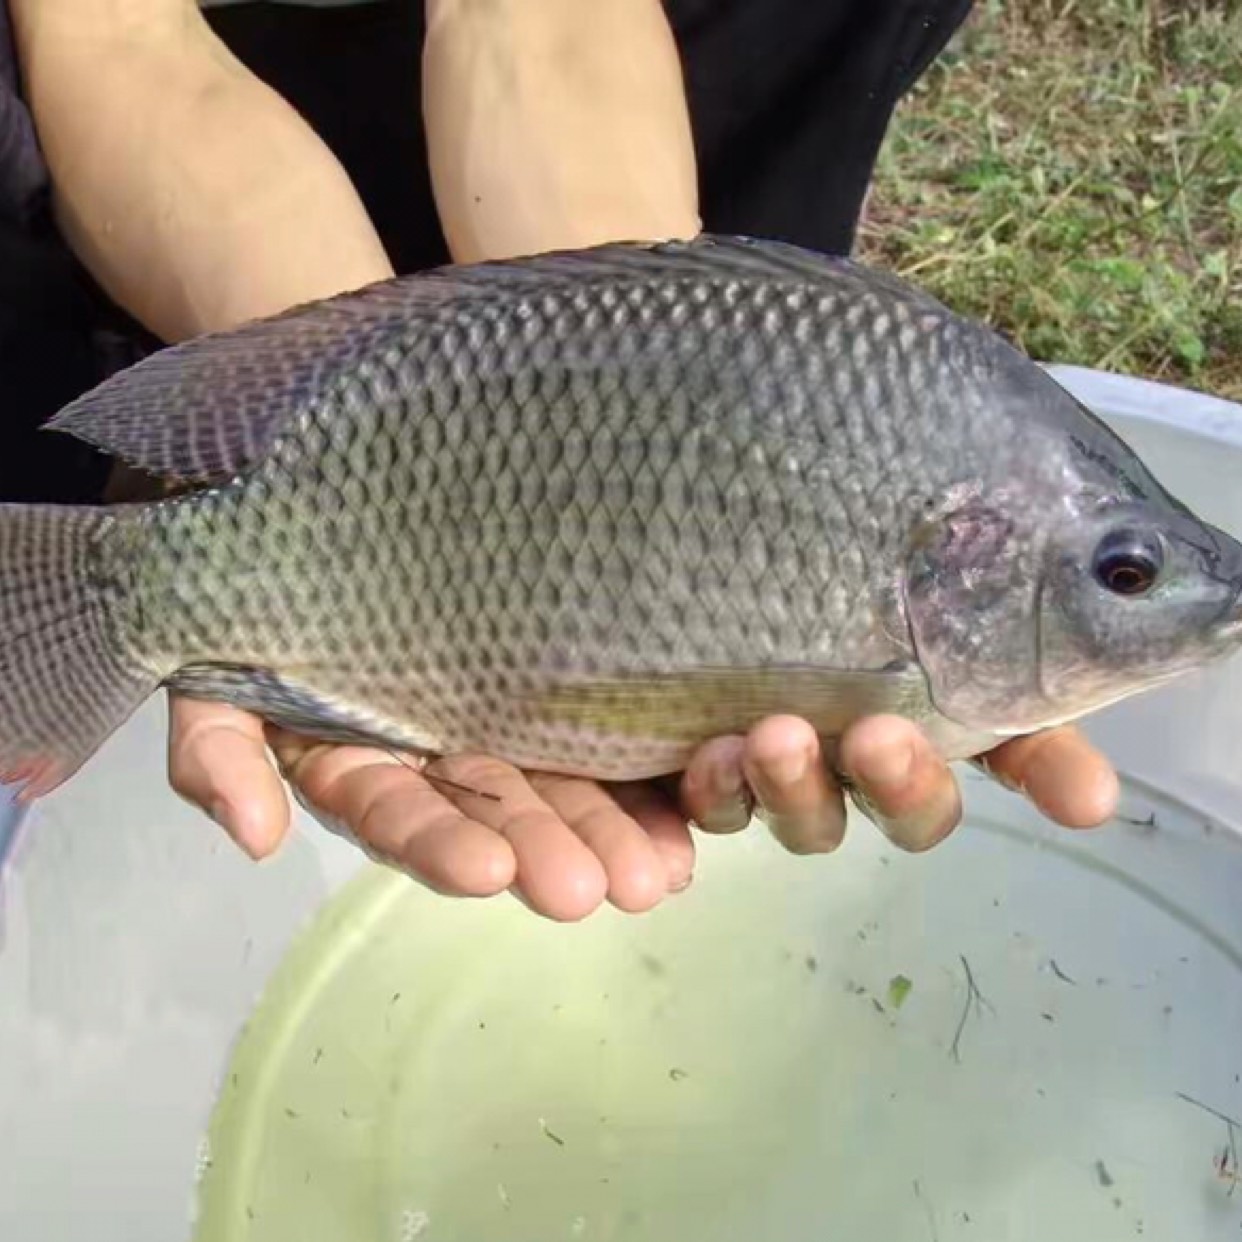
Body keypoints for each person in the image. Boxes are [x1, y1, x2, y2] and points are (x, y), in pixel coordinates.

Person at [1, 0, 1119, 923]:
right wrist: (315, 388)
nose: (1130, 595)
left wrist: (630, 346)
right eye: (1122, 573)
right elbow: (115, 33)